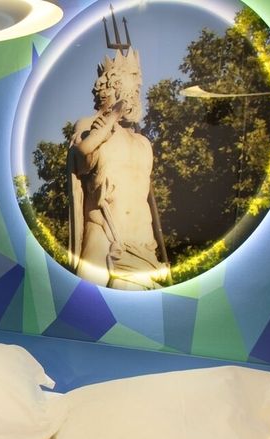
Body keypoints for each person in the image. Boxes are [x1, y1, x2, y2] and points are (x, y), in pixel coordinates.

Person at [69, 48, 168, 290]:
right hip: (105, 236)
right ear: (115, 87)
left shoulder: (143, 143)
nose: (137, 94)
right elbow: (82, 152)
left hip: (142, 245)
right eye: (134, 87)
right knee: (89, 304)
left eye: (138, 89)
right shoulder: (90, 126)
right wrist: (111, 118)